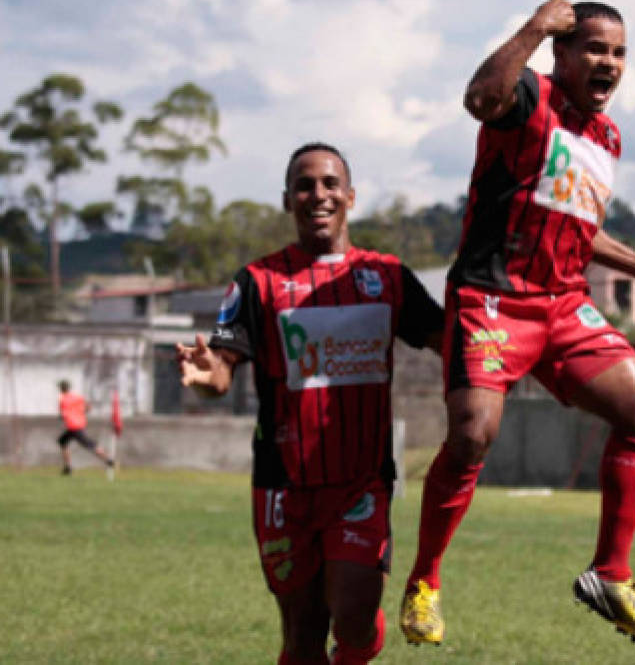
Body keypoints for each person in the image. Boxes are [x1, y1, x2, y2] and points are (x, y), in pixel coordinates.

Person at [398, 0, 635, 649]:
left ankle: (610, 574)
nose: (608, 62)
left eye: (618, 53)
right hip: (494, 295)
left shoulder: (606, 136)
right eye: (594, 48)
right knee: (473, 434)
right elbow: (478, 99)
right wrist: (531, 28)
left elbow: (576, 224)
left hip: (561, 302)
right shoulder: (528, 93)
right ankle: (425, 582)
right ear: (562, 51)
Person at [176, 143, 444, 665]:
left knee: (352, 616)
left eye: (328, 183)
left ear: (350, 196)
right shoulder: (257, 282)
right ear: (287, 200)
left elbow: (448, 339)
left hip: (361, 482)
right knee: (301, 638)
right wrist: (206, 376)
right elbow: (221, 370)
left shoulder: (387, 277)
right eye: (304, 185)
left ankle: (362, 636)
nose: (317, 194)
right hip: (283, 487)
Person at [56, 380, 114, 475]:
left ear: (61, 389)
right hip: (78, 424)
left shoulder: (63, 400)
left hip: (73, 426)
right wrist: (80, 413)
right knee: (62, 441)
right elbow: (88, 407)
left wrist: (63, 416)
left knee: (90, 445)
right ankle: (68, 467)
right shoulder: (77, 397)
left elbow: (63, 414)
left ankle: (108, 459)